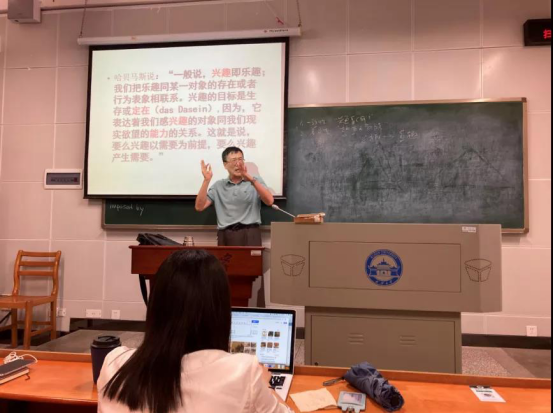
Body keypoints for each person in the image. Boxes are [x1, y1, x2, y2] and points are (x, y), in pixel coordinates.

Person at [98, 250, 291, 413]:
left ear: (157, 305)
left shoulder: (113, 364)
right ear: (220, 312)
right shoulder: (244, 372)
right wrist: (265, 385)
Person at [195, 147, 274, 246]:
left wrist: (251, 180)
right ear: (225, 165)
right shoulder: (218, 186)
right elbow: (199, 207)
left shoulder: (255, 181)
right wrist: (206, 180)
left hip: (251, 233)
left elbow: (269, 201)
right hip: (226, 234)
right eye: (233, 160)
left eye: (240, 159)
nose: (238, 164)